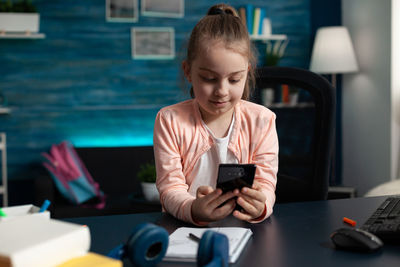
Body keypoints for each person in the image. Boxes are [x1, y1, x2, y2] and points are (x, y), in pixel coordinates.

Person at [153, 3, 278, 225]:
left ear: (246, 74)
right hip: (185, 228)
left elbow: (266, 183)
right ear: (188, 71)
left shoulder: (262, 120)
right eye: (209, 78)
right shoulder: (169, 120)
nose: (221, 91)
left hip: (244, 229)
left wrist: (262, 205)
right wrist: (192, 208)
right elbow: (169, 187)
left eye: (234, 79)